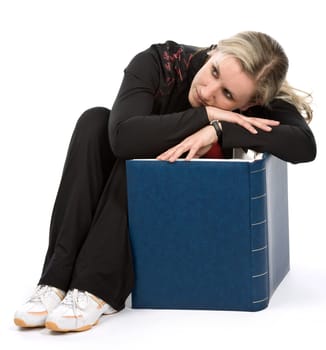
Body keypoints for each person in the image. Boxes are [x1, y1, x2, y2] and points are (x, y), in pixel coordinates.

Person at [14, 31, 316, 332]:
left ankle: (97, 286)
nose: (208, 91)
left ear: (247, 106)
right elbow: (122, 138)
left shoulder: (255, 95)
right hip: (120, 186)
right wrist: (207, 116)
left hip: (177, 208)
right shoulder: (162, 62)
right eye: (213, 72)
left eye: (227, 95)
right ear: (215, 50)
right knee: (94, 122)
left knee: (147, 150)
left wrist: (220, 131)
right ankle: (55, 278)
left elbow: (304, 145)